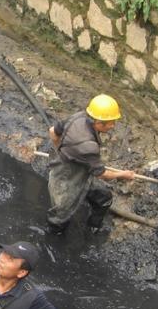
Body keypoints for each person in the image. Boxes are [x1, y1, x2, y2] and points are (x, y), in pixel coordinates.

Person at [46, 94, 135, 234]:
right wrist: (123, 174)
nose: (113, 126)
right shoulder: (87, 146)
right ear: (98, 122)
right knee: (61, 213)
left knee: (104, 198)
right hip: (66, 177)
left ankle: (92, 227)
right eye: (111, 122)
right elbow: (102, 174)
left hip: (80, 171)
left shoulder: (78, 117)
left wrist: (60, 151)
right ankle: (55, 233)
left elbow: (53, 132)